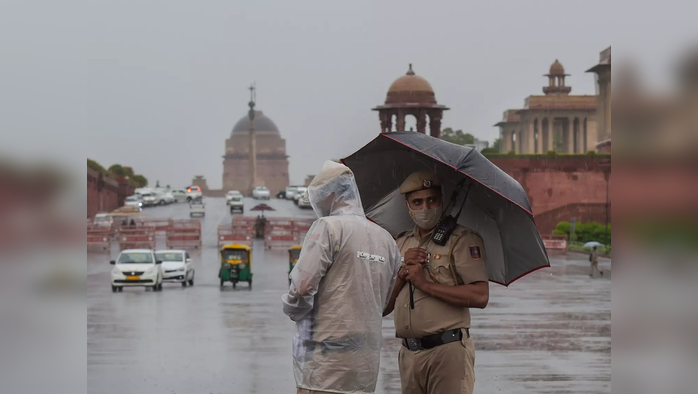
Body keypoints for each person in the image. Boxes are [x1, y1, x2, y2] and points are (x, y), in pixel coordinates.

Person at [282, 161, 401, 394]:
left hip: (324, 362)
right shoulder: (385, 239)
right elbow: (385, 301)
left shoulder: (327, 228)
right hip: (364, 363)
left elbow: (303, 287)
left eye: (320, 196)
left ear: (332, 194)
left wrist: (291, 308)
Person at [383, 171, 490, 394]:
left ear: (441, 200)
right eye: (418, 202)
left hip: (447, 351)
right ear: (408, 206)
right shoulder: (401, 243)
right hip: (409, 353)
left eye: (432, 200)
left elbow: (480, 296)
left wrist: (426, 285)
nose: (425, 208)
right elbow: (383, 306)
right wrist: (402, 273)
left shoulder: (461, 240)